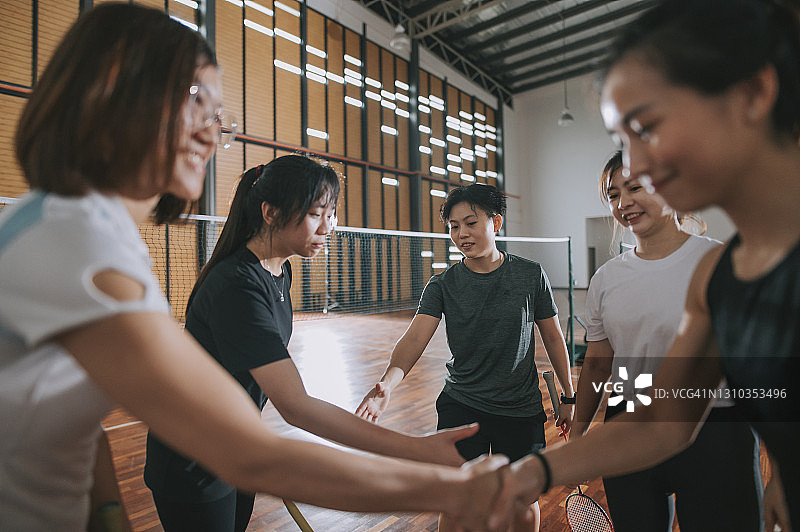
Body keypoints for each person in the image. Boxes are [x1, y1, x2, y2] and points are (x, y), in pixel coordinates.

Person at [0, 4, 525, 530]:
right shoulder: (77, 245)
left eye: (217, 114)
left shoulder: (94, 234)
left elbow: (74, 418)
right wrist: (451, 486)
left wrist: (107, 514)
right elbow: (254, 451)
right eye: (195, 103)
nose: (213, 132)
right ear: (114, 97)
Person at [508, 1, 800, 531]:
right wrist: (527, 474)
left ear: (752, 93)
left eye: (648, 127)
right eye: (625, 143)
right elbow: (663, 426)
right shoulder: (724, 278)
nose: (636, 166)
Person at [144, 155, 485, 532]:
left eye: (332, 212)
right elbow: (296, 406)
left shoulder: (279, 272)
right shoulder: (236, 284)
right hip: (193, 460)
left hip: (237, 446)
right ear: (270, 213)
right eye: (315, 214)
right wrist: (416, 449)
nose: (329, 226)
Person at [356, 183, 575, 532]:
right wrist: (387, 382)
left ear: (496, 223)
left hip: (519, 408)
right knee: (457, 500)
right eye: (454, 227)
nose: (461, 234)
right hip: (462, 404)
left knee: (524, 501)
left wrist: (568, 395)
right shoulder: (442, 284)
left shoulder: (530, 275)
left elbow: (551, 335)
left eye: (471, 223)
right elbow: (414, 338)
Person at [570, 150, 762, 531]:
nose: (623, 203)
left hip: (715, 425)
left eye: (635, 187)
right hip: (629, 415)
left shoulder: (723, 263)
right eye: (612, 195)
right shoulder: (606, 279)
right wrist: (578, 436)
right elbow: (596, 364)